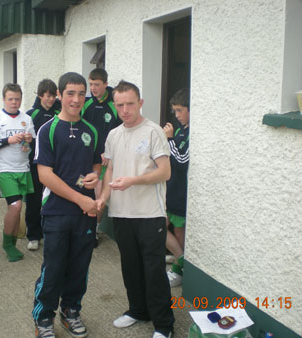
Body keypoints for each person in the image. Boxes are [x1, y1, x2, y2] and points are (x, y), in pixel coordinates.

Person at [96, 80, 175, 338]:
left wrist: (133, 181)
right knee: (130, 267)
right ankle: (138, 310)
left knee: (153, 271)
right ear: (115, 105)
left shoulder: (154, 132)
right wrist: (102, 199)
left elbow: (165, 172)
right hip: (121, 213)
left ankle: (164, 325)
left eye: (130, 103)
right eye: (120, 105)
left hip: (149, 213)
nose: (125, 109)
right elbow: (109, 172)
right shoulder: (113, 135)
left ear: (140, 103)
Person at [32, 72, 101, 338]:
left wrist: (97, 176)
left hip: (85, 213)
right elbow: (45, 175)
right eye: (70, 93)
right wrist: (81, 199)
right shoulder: (47, 129)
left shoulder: (91, 130)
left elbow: (96, 164)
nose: (76, 99)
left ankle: (71, 311)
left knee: (79, 266)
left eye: (81, 93)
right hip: (57, 211)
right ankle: (43, 317)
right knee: (54, 266)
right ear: (59, 95)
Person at [0, 83, 35, 262]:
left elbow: (33, 144)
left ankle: (12, 240)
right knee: (16, 206)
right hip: (4, 168)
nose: (14, 102)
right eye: (10, 99)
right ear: (4, 99)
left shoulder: (26, 119)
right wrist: (9, 139)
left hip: (23, 168)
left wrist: (28, 140)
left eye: (17, 99)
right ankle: (8, 245)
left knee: (16, 207)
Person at [81, 68, 122, 246]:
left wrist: (109, 151)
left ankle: (94, 231)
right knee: (81, 188)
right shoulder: (87, 103)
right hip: (85, 158)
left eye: (97, 85)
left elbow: (121, 132)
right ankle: (82, 227)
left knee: (98, 195)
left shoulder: (114, 104)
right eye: (90, 84)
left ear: (105, 84)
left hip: (105, 160)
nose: (93, 88)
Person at [25, 79, 61, 251]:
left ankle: (50, 232)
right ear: (40, 96)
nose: (50, 99)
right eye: (47, 96)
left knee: (53, 199)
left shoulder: (60, 112)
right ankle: (33, 235)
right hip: (35, 165)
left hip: (55, 165)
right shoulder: (30, 114)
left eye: (53, 96)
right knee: (34, 201)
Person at [162, 88, 190, 288]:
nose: (177, 115)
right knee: (160, 224)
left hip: (181, 194)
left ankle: (181, 267)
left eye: (180, 110)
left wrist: (170, 139)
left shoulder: (190, 133)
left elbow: (181, 161)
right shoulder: (181, 130)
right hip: (171, 189)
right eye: (175, 111)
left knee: (179, 231)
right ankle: (181, 258)